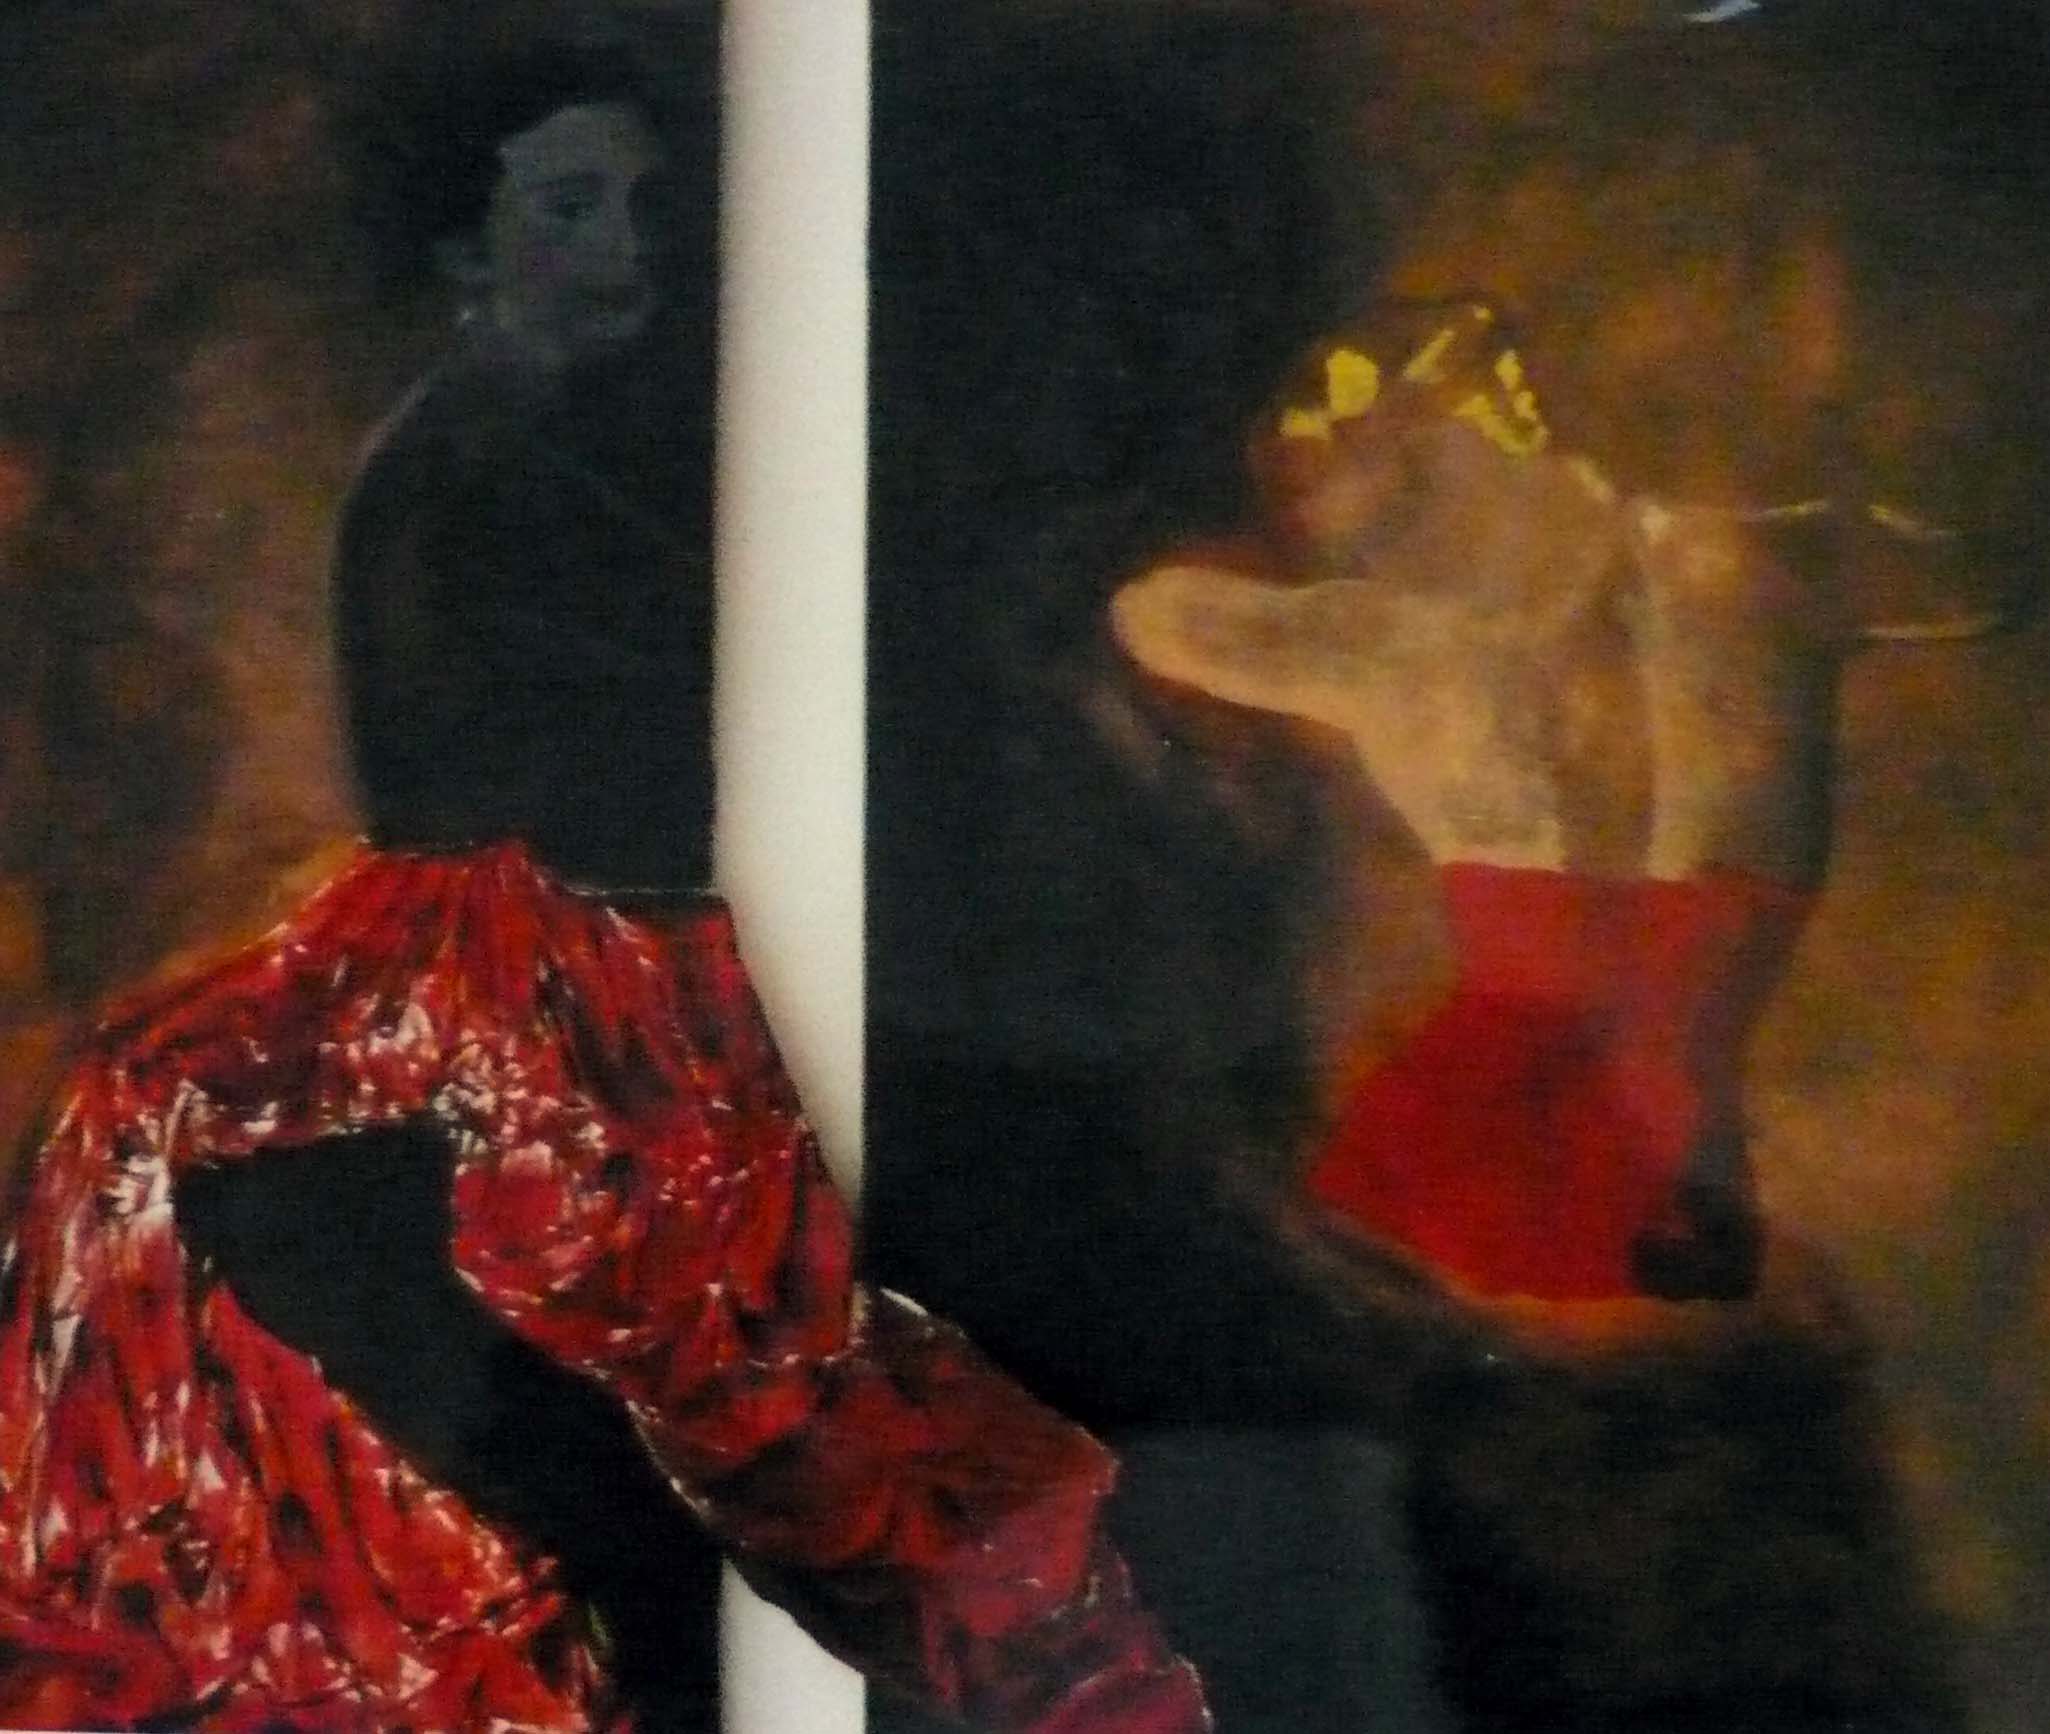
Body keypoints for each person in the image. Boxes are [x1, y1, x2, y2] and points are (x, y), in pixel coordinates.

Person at [0, 46, 1209, 1734]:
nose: (627, 242)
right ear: (467, 249)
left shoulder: (627, 453)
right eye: (572, 207)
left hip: (600, 936)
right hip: (524, 943)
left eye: (645, 202)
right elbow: (511, 781)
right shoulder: (469, 465)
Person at [1112, 294, 1908, 1306]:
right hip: (1639, 1006)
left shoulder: (1430, 648)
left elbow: (1158, 616)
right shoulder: (1538, 617)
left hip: (1610, 1021)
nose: (1317, 515)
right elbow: (1161, 618)